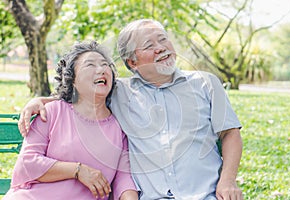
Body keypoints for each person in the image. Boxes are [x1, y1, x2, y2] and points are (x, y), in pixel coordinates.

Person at [18, 19, 243, 200]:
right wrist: (41, 100)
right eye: (149, 45)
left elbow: (230, 133)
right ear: (132, 62)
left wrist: (228, 181)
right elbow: (83, 95)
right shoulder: (120, 91)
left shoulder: (206, 83)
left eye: (163, 40)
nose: (161, 48)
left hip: (205, 194)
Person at [4, 41, 138, 200]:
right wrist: (78, 171)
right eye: (90, 65)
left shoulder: (118, 128)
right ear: (72, 79)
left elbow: (123, 178)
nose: (101, 69)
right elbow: (28, 163)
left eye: (105, 64)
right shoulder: (52, 112)